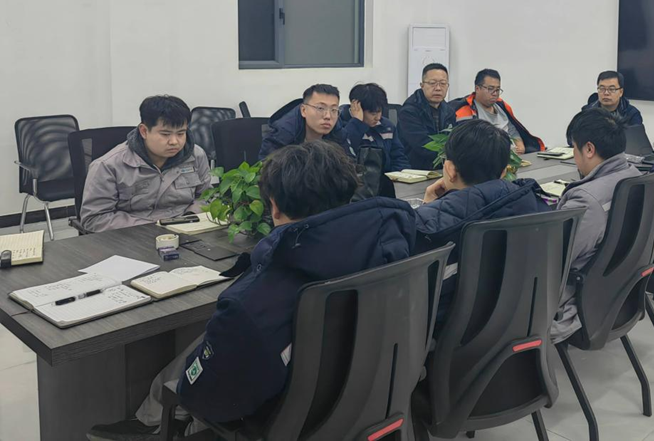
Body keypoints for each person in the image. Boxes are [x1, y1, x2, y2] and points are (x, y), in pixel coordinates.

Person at [87, 141, 417, 441]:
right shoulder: (392, 246)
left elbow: (213, 401)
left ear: (273, 207)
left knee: (193, 377)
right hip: (370, 398)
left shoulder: (251, 303)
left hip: (285, 418)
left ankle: (153, 425)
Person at [413, 120, 547, 313]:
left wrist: (428, 208)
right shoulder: (531, 202)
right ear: (503, 171)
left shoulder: (429, 226)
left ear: (450, 169)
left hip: (451, 323)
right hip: (519, 315)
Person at [552, 109, 641, 343]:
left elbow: (553, 259)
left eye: (574, 148)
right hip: (617, 292)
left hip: (576, 303)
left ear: (589, 149)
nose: (574, 155)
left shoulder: (586, 201)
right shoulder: (634, 176)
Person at [81, 95, 211, 233]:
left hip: (187, 229)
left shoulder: (196, 155)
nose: (174, 142)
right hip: (134, 235)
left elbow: (207, 197)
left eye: (181, 133)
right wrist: (152, 228)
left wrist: (190, 217)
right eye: (165, 134)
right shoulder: (108, 166)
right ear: (144, 131)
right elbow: (95, 218)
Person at [451, 69, 545, 154]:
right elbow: (468, 145)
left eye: (497, 90)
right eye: (490, 89)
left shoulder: (501, 106)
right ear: (477, 89)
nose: (495, 94)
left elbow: (512, 130)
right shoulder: (465, 110)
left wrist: (520, 145)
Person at [258, 84, 344, 160]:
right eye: (320, 108)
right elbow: (267, 166)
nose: (328, 116)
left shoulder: (338, 130)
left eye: (334, 109)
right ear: (303, 110)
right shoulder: (284, 131)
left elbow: (347, 162)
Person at [339, 82, 411, 173]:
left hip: (388, 177)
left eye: (380, 112)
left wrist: (403, 175)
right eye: (373, 114)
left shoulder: (387, 126)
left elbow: (399, 157)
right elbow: (345, 154)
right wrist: (357, 123)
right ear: (357, 108)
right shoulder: (341, 126)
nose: (378, 117)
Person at [398, 63, 456, 169]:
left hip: (441, 168)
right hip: (414, 170)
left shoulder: (449, 111)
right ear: (422, 85)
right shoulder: (409, 111)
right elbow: (423, 145)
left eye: (443, 83)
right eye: (432, 83)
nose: (438, 88)